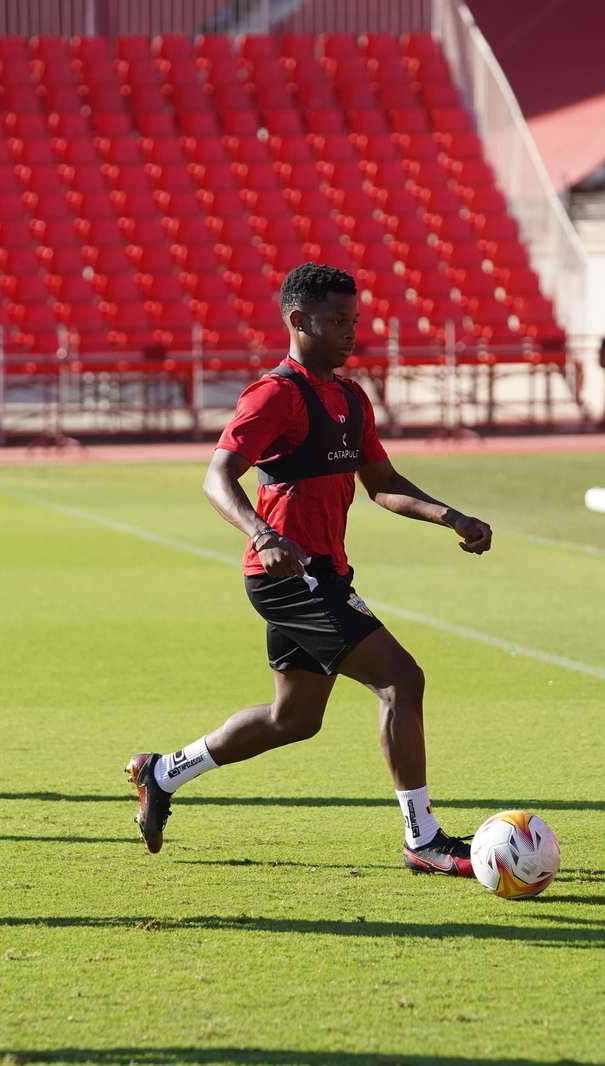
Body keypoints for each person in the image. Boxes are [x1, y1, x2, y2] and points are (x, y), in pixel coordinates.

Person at [125, 263, 494, 875]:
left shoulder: (351, 397)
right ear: (298, 321)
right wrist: (263, 533)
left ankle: (163, 772)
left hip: (324, 572)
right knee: (402, 680)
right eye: (337, 321)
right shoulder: (274, 396)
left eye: (355, 320)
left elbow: (382, 483)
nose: (351, 332)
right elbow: (217, 476)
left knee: (293, 719)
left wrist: (450, 517)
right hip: (288, 577)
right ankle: (422, 838)